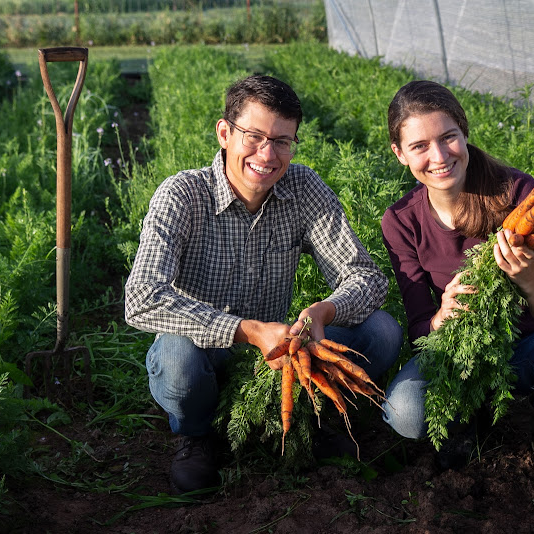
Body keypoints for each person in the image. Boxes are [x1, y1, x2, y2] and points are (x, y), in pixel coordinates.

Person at [125, 74, 403, 494]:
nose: (267, 154)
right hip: (206, 352)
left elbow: (364, 276)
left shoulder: (303, 188)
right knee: (175, 357)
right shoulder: (183, 195)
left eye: (282, 141)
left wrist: (321, 312)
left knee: (382, 331)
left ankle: (318, 413)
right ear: (224, 132)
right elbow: (142, 298)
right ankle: (196, 436)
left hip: (280, 356)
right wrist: (249, 331)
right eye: (253, 136)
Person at [379, 80, 534, 500]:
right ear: (399, 154)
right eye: (419, 146)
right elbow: (418, 329)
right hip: (457, 356)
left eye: (448, 137)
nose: (439, 156)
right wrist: (440, 317)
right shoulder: (400, 221)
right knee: (404, 412)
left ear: (464, 131)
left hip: (526, 350)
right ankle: (468, 414)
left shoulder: (517, 193)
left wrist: (530, 281)